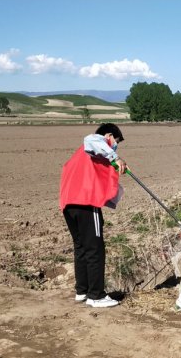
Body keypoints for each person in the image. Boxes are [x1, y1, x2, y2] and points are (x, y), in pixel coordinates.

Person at [59, 123, 128, 308]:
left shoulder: (86, 155)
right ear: (109, 135)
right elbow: (92, 139)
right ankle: (96, 295)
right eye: (116, 142)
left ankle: (82, 290)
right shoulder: (93, 142)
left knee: (81, 247)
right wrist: (116, 157)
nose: (115, 146)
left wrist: (114, 162)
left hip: (69, 203)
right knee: (95, 249)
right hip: (86, 203)